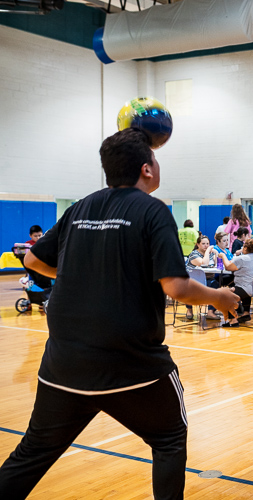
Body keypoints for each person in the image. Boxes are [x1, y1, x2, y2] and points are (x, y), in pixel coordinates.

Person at [0, 128, 238, 499]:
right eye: (156, 159)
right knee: (169, 437)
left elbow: (32, 259)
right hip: (132, 366)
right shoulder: (153, 211)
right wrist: (219, 297)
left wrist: (84, 271)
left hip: (64, 365)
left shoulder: (80, 207)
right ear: (147, 170)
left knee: (31, 453)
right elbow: (176, 286)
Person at [216, 239, 253, 326]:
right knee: (244, 287)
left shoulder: (242, 258)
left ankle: (233, 320)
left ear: (245, 248)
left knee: (227, 295)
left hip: (247, 288)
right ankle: (246, 313)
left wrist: (223, 256)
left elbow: (228, 267)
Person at [185, 235, 223, 321]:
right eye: (203, 244)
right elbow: (204, 263)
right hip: (193, 281)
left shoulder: (210, 254)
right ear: (198, 244)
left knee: (216, 285)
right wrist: (208, 251)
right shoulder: (194, 254)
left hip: (208, 279)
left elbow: (218, 266)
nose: (206, 245)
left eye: (207, 244)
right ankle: (189, 310)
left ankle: (210, 312)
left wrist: (216, 253)